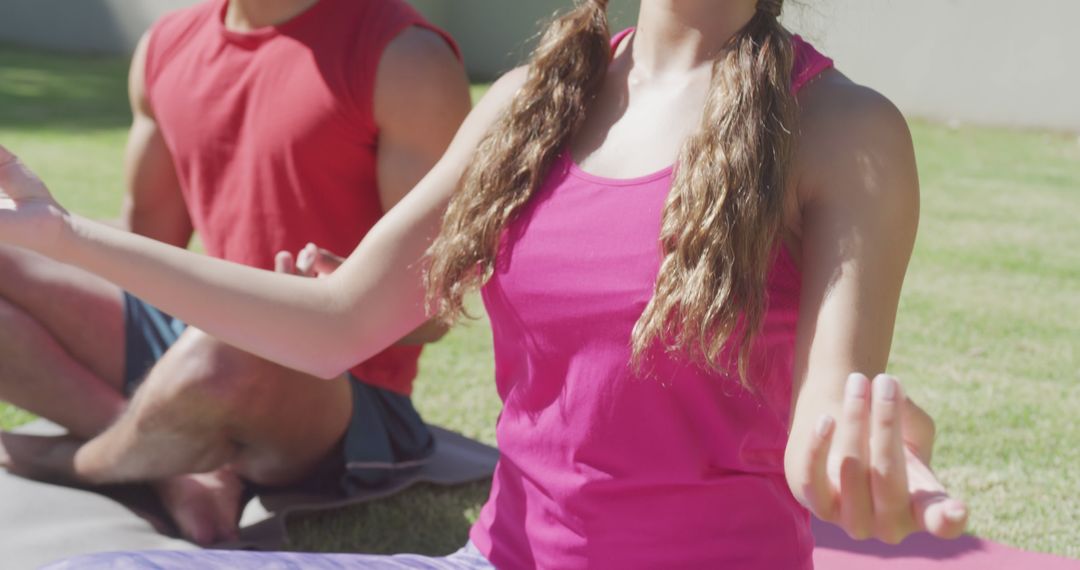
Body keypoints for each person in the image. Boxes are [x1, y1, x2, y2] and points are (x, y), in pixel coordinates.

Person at [1, 0, 969, 567]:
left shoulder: (843, 130)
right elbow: (337, 322)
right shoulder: (533, 104)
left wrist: (869, 446)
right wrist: (67, 237)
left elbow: (823, 421)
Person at [0, 0, 470, 545]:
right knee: (216, 338)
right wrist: (39, 234)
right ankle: (173, 461)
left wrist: (354, 293)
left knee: (240, 345)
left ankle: (85, 461)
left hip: (340, 384)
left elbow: (436, 306)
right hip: (192, 338)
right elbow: (145, 244)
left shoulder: (406, 58)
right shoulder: (167, 44)